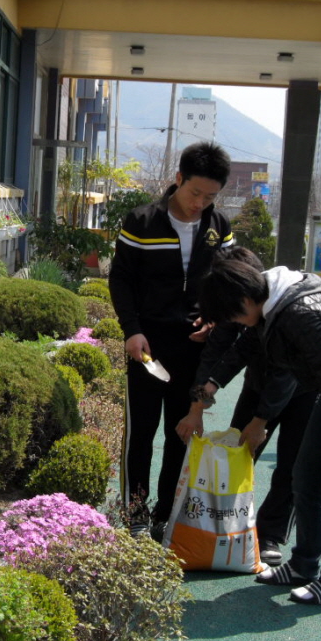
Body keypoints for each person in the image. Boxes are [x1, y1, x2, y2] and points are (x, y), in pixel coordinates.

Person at [198, 258, 321, 605]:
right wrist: (210, 385)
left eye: (232, 315)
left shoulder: (298, 314)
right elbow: (248, 346)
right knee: (304, 479)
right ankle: (304, 565)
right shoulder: (270, 306)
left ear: (245, 301)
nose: (234, 322)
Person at [108, 141, 233, 537]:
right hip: (147, 345)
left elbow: (227, 282)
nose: (200, 202)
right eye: (195, 192)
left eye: (210, 196)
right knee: (141, 432)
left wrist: (214, 321)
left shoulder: (219, 228)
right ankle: (135, 512)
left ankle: (167, 512)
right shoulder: (142, 221)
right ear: (177, 179)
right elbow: (121, 279)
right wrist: (132, 330)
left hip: (194, 348)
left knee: (181, 431)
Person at [176, 246, 317, 566]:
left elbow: (286, 374)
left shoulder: (283, 309)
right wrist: (197, 406)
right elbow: (220, 358)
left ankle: (269, 533)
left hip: (307, 389)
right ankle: (226, 523)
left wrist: (261, 421)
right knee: (236, 453)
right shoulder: (232, 307)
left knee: (293, 465)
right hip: (258, 384)